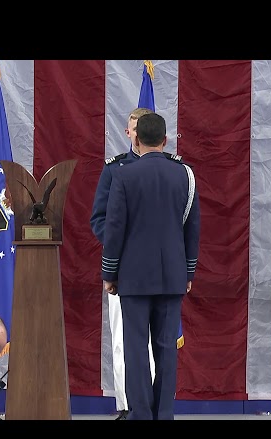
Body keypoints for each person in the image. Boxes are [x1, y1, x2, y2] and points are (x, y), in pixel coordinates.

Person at [101, 112, 200, 420]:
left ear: (136, 139)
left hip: (133, 276)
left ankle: (141, 414)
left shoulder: (123, 175)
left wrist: (109, 273)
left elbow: (114, 229)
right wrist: (189, 271)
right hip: (173, 274)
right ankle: (164, 413)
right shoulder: (185, 174)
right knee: (166, 348)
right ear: (165, 140)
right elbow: (192, 228)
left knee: (135, 350)